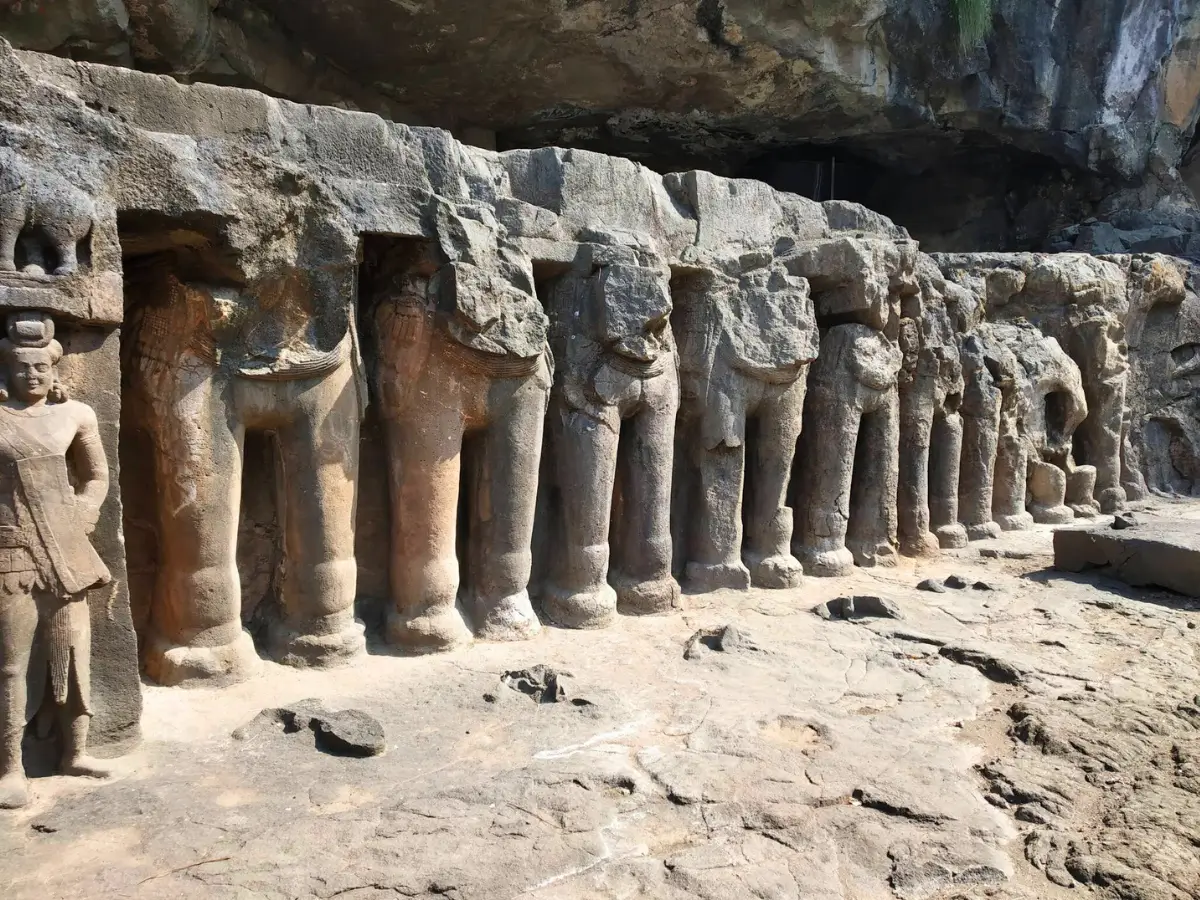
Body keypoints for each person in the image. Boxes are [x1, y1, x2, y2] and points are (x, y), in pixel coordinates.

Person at [0, 311, 112, 809]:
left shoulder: (77, 415)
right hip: (12, 553)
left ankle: (76, 752)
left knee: (73, 654)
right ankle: (10, 766)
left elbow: (96, 476)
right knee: (11, 664)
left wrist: (83, 514)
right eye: (23, 368)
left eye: (40, 368)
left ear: (54, 369)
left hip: (67, 552)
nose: (32, 376)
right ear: (7, 368)